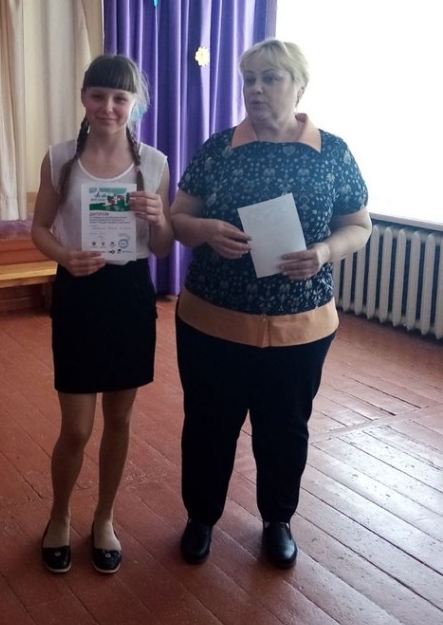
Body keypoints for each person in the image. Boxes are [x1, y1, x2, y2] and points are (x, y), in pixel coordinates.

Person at [171, 39, 371, 568]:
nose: (256, 90)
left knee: (285, 430)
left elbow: (358, 225)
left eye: (271, 78)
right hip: (212, 323)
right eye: (249, 79)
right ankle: (200, 517)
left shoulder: (332, 153)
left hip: (301, 328)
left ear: (299, 86)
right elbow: (178, 220)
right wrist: (206, 230)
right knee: (208, 426)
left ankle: (277, 519)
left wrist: (324, 252)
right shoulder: (219, 149)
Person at [31, 54, 173, 575]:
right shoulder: (59, 157)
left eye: (120, 98)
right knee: (76, 428)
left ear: (134, 104)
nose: (108, 107)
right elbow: (39, 229)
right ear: (84, 98)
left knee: (120, 419)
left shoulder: (154, 163)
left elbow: (162, 247)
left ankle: (105, 517)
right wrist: (65, 256)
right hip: (78, 292)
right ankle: (59, 515)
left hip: (129, 294)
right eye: (98, 96)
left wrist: (159, 219)